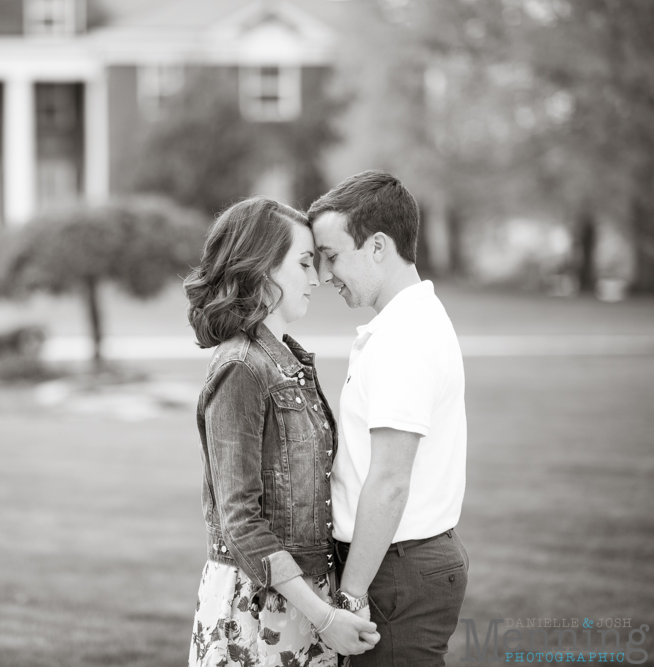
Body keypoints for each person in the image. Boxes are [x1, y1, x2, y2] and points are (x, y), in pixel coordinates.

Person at [184, 196, 379, 667]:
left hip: (302, 602)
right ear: (263, 266)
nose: (317, 278)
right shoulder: (241, 368)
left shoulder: (287, 362)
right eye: (306, 262)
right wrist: (323, 616)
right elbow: (241, 521)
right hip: (258, 609)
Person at [308, 171, 469, 666]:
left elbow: (391, 480)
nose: (325, 274)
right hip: (394, 561)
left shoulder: (405, 339)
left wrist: (352, 594)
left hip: (395, 569)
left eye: (332, 256)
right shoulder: (401, 326)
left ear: (378, 246)